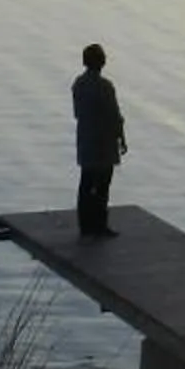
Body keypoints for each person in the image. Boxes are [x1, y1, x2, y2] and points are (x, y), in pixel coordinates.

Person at [72, 42, 127, 236]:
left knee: (86, 183)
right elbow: (114, 115)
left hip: (86, 138)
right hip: (103, 141)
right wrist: (121, 137)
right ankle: (100, 225)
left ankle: (85, 225)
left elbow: (77, 113)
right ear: (101, 62)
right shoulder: (105, 86)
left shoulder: (78, 84)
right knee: (103, 185)